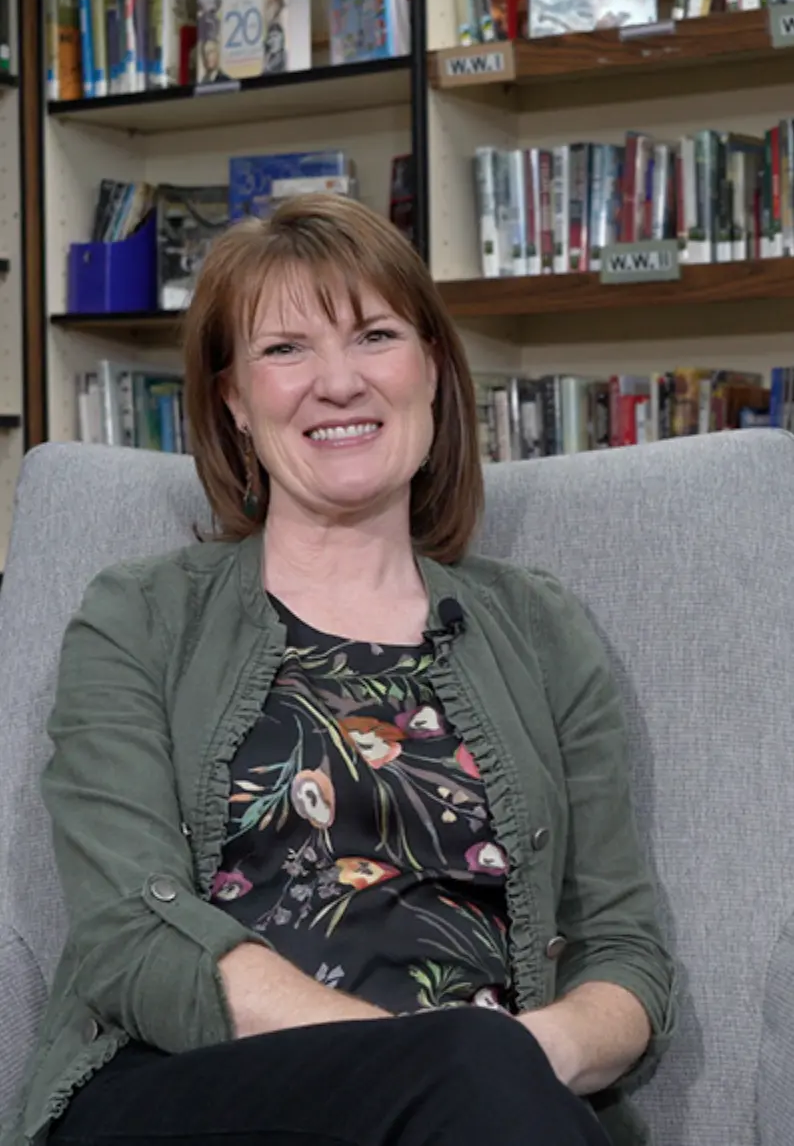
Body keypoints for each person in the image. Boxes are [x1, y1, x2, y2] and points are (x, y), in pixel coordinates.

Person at [4, 195, 676, 1146]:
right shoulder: (141, 614)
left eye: (374, 335)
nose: (338, 382)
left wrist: (534, 1053)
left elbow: (624, 950)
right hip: (198, 1089)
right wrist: (426, 1052)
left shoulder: (541, 628)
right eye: (285, 350)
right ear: (233, 397)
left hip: (490, 1097)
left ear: (432, 369)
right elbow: (128, 931)